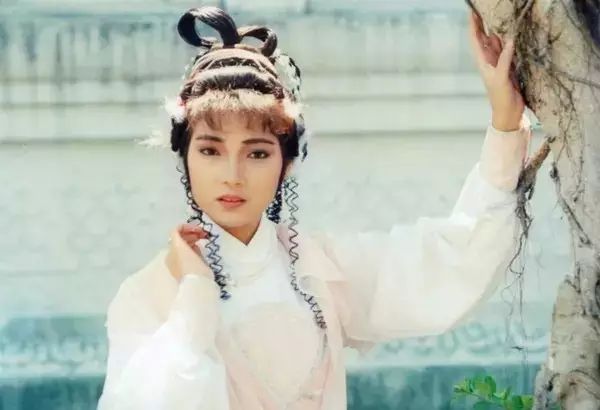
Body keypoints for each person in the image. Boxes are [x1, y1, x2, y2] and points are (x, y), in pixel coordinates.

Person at [97, 6, 531, 410]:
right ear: (185, 159)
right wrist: (195, 291)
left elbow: (452, 261)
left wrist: (505, 124)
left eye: (257, 153)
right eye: (210, 150)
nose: (232, 175)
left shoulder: (320, 270)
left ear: (285, 164)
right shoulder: (148, 295)